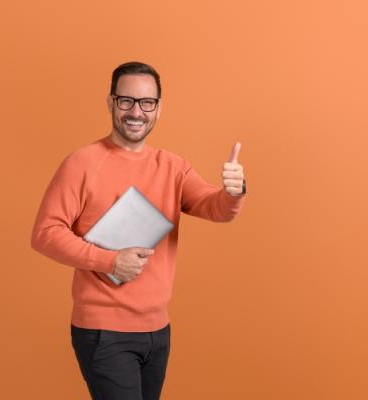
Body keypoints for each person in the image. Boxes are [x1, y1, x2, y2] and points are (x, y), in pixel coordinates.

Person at [30, 61, 246, 400]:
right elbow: (45, 233)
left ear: (159, 109)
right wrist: (110, 261)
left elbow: (213, 207)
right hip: (104, 331)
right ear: (110, 103)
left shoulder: (173, 166)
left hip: (157, 330)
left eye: (147, 103)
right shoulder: (82, 163)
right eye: (126, 100)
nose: (136, 112)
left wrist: (233, 193)